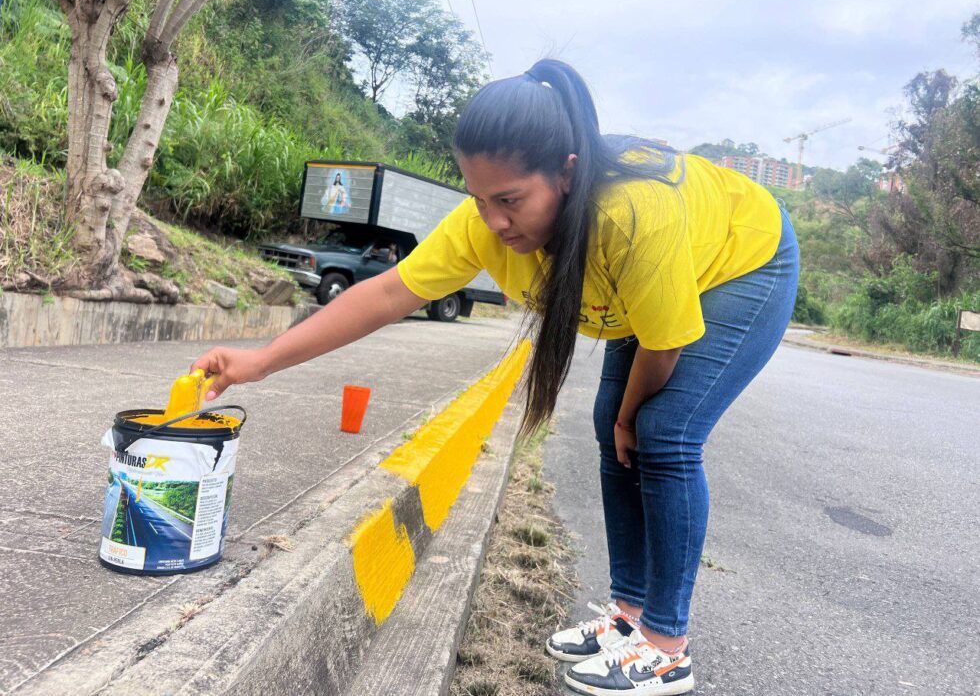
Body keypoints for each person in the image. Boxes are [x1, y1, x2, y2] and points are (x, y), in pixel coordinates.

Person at [191, 59, 798, 696]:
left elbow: (664, 348)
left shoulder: (628, 216)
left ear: (567, 173)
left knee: (663, 431)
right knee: (609, 428)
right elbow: (385, 294)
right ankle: (630, 616)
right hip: (651, 287)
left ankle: (667, 645)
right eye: (480, 199)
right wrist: (259, 360)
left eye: (510, 200)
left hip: (743, 262)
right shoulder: (481, 225)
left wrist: (629, 415)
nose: (495, 222)